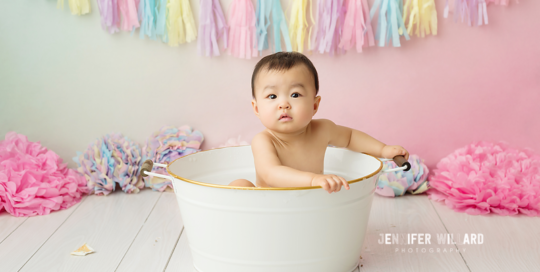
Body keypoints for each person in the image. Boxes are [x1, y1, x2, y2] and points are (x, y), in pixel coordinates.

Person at [228, 52, 409, 194]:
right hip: (269, 206)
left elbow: (350, 137)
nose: (284, 104)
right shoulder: (264, 140)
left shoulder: (323, 129)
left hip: (311, 203)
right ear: (257, 108)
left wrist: (383, 149)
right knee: (240, 185)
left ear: (314, 105)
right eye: (272, 96)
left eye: (295, 94)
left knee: (333, 194)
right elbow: (271, 173)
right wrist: (313, 180)